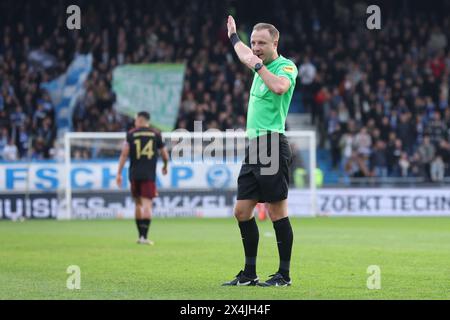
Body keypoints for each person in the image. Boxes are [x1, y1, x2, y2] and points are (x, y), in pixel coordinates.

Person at [222, 16, 298, 287]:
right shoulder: (255, 60)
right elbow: (243, 53)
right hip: (253, 148)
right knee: (242, 211)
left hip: (272, 145)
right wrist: (234, 37)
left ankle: (284, 275)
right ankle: (249, 274)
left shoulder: (285, 66)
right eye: (253, 42)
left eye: (261, 43)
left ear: (275, 43)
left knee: (277, 212)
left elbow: (279, 87)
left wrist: (257, 66)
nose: (255, 48)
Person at [116, 111, 169, 245]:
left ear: (140, 120)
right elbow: (164, 154)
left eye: (136, 119)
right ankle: (144, 237)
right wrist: (165, 165)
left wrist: (118, 173)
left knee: (138, 204)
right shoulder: (156, 134)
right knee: (147, 205)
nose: (135, 122)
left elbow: (124, 154)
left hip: (133, 174)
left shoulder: (131, 134)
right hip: (148, 175)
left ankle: (140, 236)